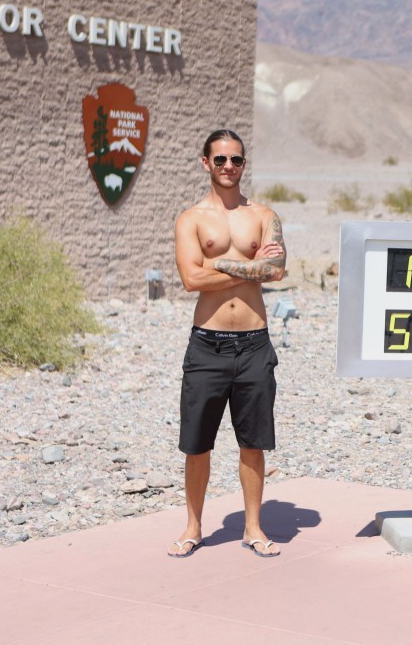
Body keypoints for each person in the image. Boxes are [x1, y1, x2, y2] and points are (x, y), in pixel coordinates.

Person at [167, 129, 287, 559]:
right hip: (207, 346)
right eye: (220, 160)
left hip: (254, 343)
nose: (228, 167)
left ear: (243, 163)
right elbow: (191, 279)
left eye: (236, 160)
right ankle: (194, 526)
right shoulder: (191, 219)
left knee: (253, 441)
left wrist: (220, 263)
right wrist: (250, 266)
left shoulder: (265, 215)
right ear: (205, 163)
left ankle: (253, 527)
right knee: (197, 443)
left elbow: (276, 270)